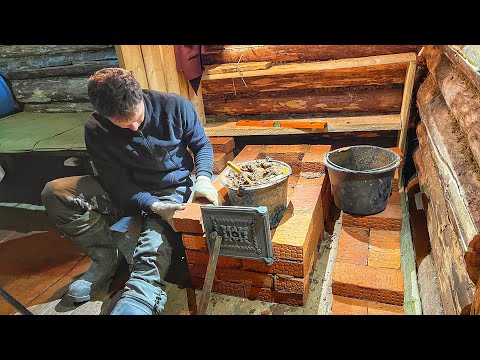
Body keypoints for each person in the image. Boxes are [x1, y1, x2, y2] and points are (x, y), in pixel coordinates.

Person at [41, 68, 220, 315]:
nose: (134, 128)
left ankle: (141, 294)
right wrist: (150, 204)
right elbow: (117, 184)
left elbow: (201, 145)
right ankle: (105, 259)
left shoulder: (174, 106)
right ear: (104, 115)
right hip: (126, 190)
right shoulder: (96, 129)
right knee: (56, 192)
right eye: (122, 123)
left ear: (140, 96)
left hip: (172, 187)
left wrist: (202, 179)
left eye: (137, 117)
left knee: (154, 236)